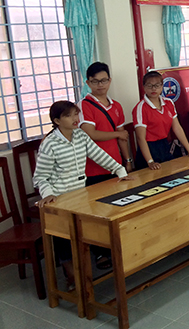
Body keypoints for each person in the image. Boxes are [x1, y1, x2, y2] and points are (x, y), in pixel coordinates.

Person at [33, 101, 131, 289]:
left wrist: (120, 170)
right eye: (69, 116)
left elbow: (98, 154)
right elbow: (40, 177)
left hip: (80, 194)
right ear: (57, 121)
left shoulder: (80, 135)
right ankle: (71, 275)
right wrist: (48, 194)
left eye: (76, 114)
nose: (75, 119)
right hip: (60, 197)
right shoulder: (50, 143)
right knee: (64, 237)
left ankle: (83, 270)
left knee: (86, 230)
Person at [132, 71, 189, 169]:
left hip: (164, 145)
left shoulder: (168, 103)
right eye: (149, 85)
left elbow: (177, 128)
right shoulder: (140, 108)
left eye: (157, 85)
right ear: (144, 87)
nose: (153, 89)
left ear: (162, 86)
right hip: (148, 148)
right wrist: (150, 161)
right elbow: (140, 138)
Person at [80, 62, 133, 185]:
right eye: (95, 81)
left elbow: (122, 137)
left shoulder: (116, 106)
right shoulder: (84, 105)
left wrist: (128, 160)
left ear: (109, 81)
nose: (100, 85)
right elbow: (91, 134)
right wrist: (117, 134)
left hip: (116, 166)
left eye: (103, 80)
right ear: (88, 83)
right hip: (94, 169)